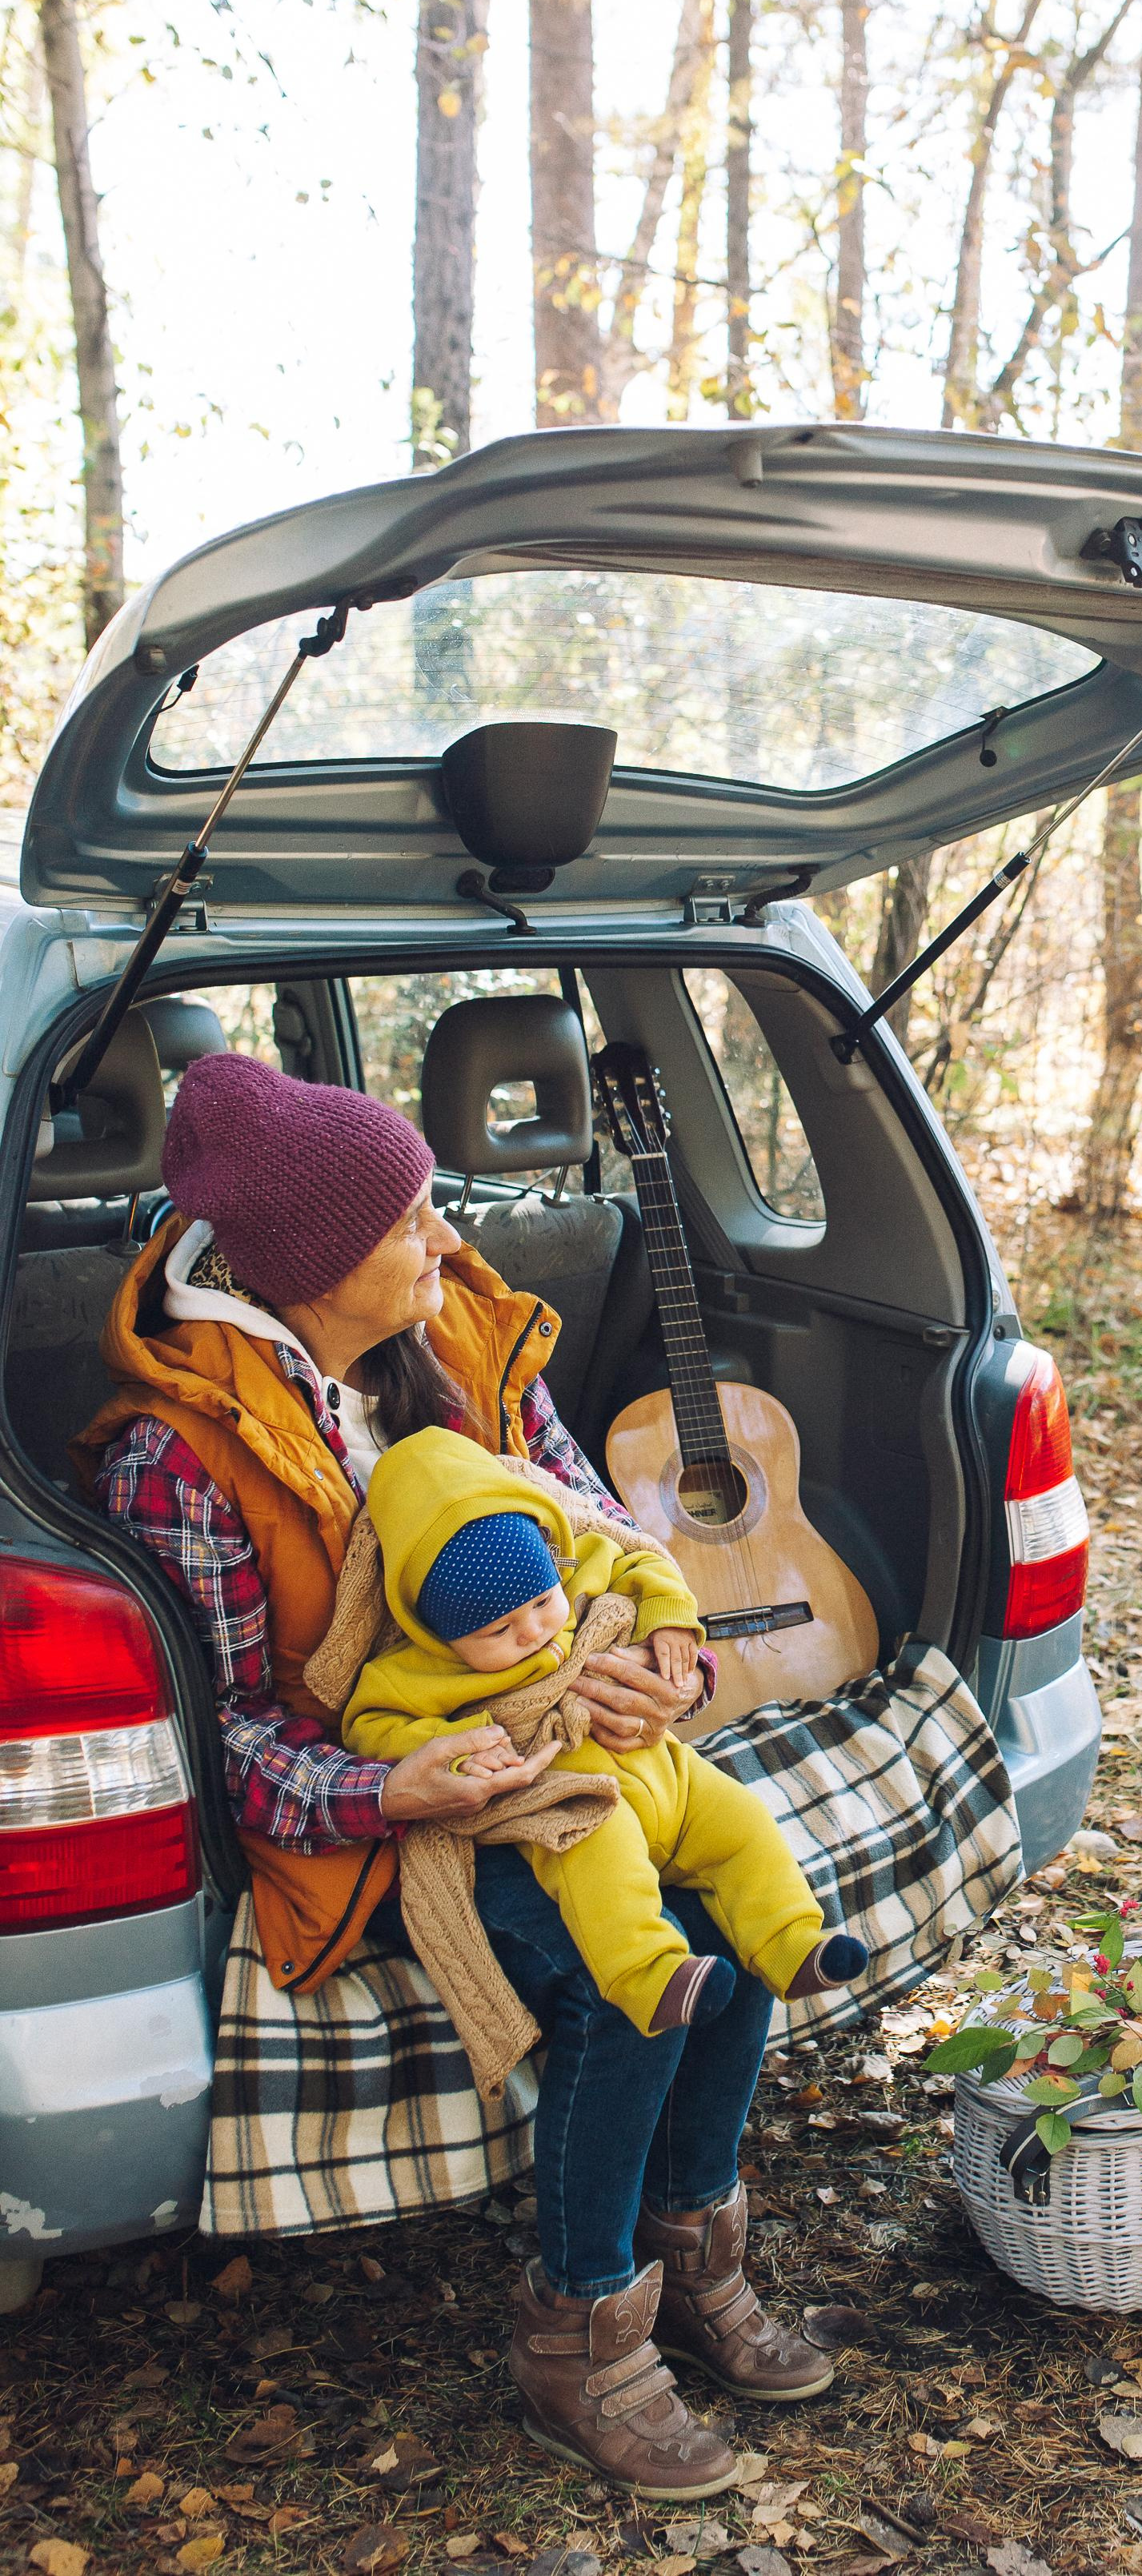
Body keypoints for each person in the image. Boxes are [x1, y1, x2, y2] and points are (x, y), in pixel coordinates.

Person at [78, 1051, 834, 2499]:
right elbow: (224, 1725)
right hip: (396, 1806)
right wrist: (396, 1790)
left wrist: (668, 1645)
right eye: (413, 1221)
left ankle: (696, 2260)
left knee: (735, 1946)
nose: (450, 1241)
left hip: (583, 1748)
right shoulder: (181, 1459)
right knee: (627, 1989)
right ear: (308, 1266)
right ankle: (583, 2340)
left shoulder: (464, 1337)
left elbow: (604, 1515)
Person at [344, 1426, 868, 2036]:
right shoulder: (414, 1671)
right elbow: (370, 1727)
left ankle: (791, 1941)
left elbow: (645, 1560)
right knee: (598, 1864)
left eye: (542, 1603)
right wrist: (457, 1752)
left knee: (741, 1823)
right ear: (439, 1634)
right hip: (572, 1793)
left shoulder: (582, 1569)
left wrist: (671, 1623)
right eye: (497, 1631)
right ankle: (648, 1976)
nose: (532, 1630)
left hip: (666, 1770)